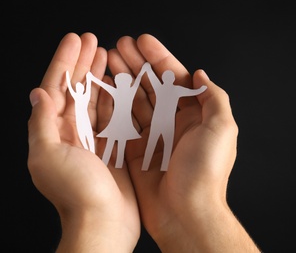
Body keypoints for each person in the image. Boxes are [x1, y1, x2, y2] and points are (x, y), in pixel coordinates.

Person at [27, 32, 262, 252]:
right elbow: (113, 83)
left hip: (157, 124)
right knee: (132, 147)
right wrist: (97, 218)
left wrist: (198, 89)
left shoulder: (147, 90)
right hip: (135, 123)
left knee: (153, 146)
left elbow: (173, 88)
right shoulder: (136, 89)